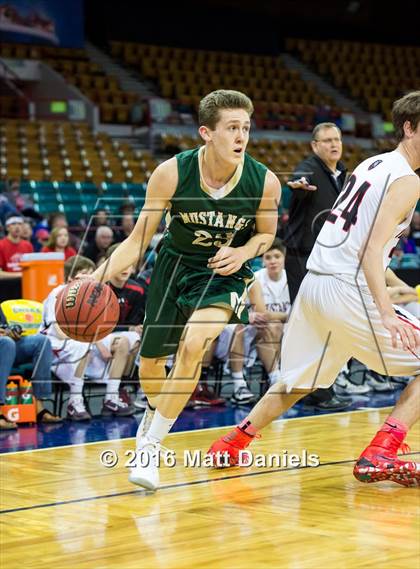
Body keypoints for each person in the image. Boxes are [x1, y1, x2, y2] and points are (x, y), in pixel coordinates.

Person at [208, 91, 420, 487]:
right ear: (408, 127)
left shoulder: (371, 164)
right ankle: (382, 451)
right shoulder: (407, 179)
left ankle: (233, 442)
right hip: (345, 287)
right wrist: (387, 311)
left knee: (298, 380)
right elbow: (373, 250)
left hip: (315, 284)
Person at [86, 89, 280, 489]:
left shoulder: (264, 182)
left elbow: (266, 236)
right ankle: (153, 418)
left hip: (223, 274)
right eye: (232, 128)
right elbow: (139, 240)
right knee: (151, 365)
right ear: (206, 133)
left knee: (194, 345)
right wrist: (95, 278)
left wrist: (243, 251)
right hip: (174, 268)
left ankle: (151, 446)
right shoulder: (171, 173)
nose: (241, 136)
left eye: (245, 127)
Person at [284, 122, 351, 410]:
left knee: (324, 324)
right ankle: (317, 392)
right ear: (315, 145)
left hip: (328, 259)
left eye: (336, 139)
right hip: (303, 257)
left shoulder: (343, 174)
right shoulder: (309, 168)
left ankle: (316, 388)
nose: (333, 145)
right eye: (326, 141)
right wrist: (298, 186)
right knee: (312, 323)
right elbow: (299, 181)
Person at [40, 255, 135, 420]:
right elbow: (60, 331)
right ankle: (74, 402)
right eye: (86, 274)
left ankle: (111, 397)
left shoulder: (93, 295)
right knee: (83, 346)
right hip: (56, 342)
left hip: (83, 338)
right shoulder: (59, 293)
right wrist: (96, 342)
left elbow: (98, 329)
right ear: (71, 277)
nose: (91, 279)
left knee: (124, 341)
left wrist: (97, 340)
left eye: (93, 274)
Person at [0, 306, 62, 429]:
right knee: (7, 343)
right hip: (5, 345)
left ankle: (39, 408)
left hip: (7, 345)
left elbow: (3, 326)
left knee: (42, 341)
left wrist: (11, 330)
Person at [0, 214, 33, 279]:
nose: (17, 227)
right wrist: (21, 275)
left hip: (25, 283)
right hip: (6, 285)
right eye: (13, 224)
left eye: (20, 224)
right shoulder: (1, 245)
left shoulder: (28, 245)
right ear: (7, 228)